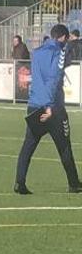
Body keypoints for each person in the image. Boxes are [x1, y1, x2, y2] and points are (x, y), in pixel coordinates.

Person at [14, 24, 82, 195]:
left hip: (34, 104)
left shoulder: (37, 53)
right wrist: (50, 107)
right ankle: (74, 183)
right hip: (53, 108)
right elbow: (53, 78)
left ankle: (19, 182)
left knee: (28, 146)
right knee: (64, 146)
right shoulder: (59, 52)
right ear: (64, 38)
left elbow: (39, 77)